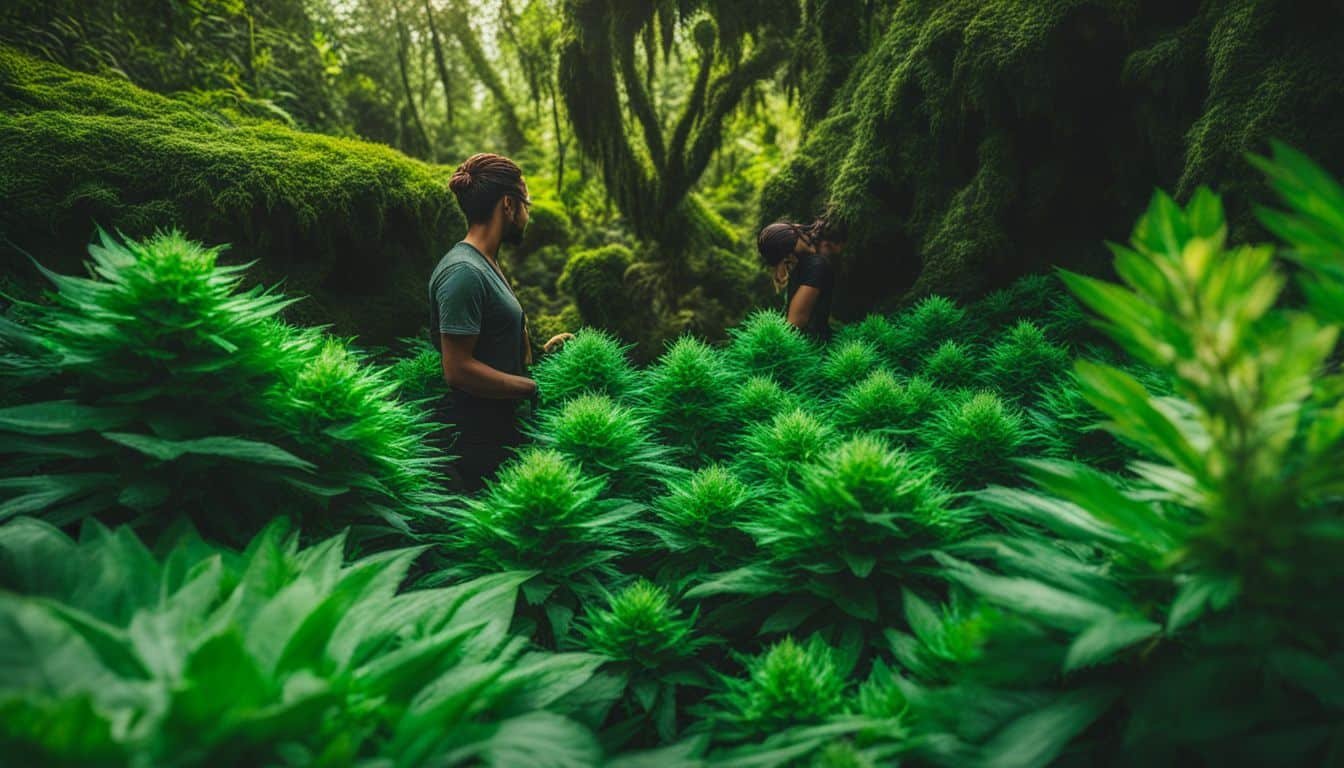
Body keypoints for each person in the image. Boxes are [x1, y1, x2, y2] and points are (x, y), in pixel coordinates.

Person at [429, 152, 571, 491]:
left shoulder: (485, 263)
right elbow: (458, 369)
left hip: (504, 434)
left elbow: (489, 346)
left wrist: (540, 353)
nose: (528, 212)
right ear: (508, 205)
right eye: (526, 203)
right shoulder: (463, 272)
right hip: (480, 447)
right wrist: (531, 387)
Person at [756, 217, 843, 341]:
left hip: (812, 346)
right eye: (788, 255)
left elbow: (794, 323)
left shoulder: (814, 263)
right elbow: (795, 323)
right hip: (812, 345)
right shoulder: (813, 264)